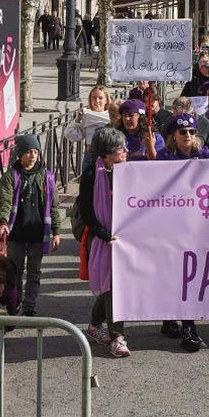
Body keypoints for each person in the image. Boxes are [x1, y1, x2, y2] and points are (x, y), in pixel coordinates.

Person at [154, 114, 209, 351]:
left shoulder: (204, 155)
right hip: (171, 224)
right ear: (173, 136)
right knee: (175, 273)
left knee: (189, 275)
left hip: (196, 224)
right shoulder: (165, 157)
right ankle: (179, 322)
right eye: (183, 133)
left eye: (191, 132)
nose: (188, 136)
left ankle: (186, 325)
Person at [0, 135, 62, 316]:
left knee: (34, 271)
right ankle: (15, 302)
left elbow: (53, 206)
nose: (32, 156)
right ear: (20, 154)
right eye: (28, 152)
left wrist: (56, 231)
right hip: (16, 232)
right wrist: (2, 222)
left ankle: (29, 306)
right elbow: (4, 201)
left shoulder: (47, 177)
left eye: (35, 152)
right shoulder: (11, 177)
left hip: (38, 232)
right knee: (15, 271)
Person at [81, 127, 131, 358]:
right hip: (103, 237)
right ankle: (117, 338)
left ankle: (94, 325)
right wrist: (105, 234)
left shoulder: (128, 171)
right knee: (114, 286)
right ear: (108, 154)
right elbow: (87, 212)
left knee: (111, 286)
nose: (126, 150)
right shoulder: (92, 174)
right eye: (121, 148)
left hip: (123, 236)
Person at [64, 85, 111, 171]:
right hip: (91, 155)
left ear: (106, 100)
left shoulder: (112, 115)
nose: (97, 101)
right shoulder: (86, 115)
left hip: (108, 155)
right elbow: (70, 135)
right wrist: (77, 120)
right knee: (88, 183)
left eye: (100, 98)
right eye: (94, 97)